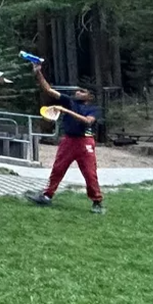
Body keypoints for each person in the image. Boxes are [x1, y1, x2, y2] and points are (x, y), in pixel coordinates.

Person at [28, 63, 104, 214]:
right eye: (78, 90)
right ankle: (47, 196)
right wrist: (38, 73)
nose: (77, 92)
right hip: (68, 141)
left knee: (90, 173)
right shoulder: (70, 101)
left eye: (82, 91)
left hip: (85, 142)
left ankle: (97, 201)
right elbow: (48, 90)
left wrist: (65, 110)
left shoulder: (94, 109)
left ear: (90, 96)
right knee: (58, 169)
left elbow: (88, 121)